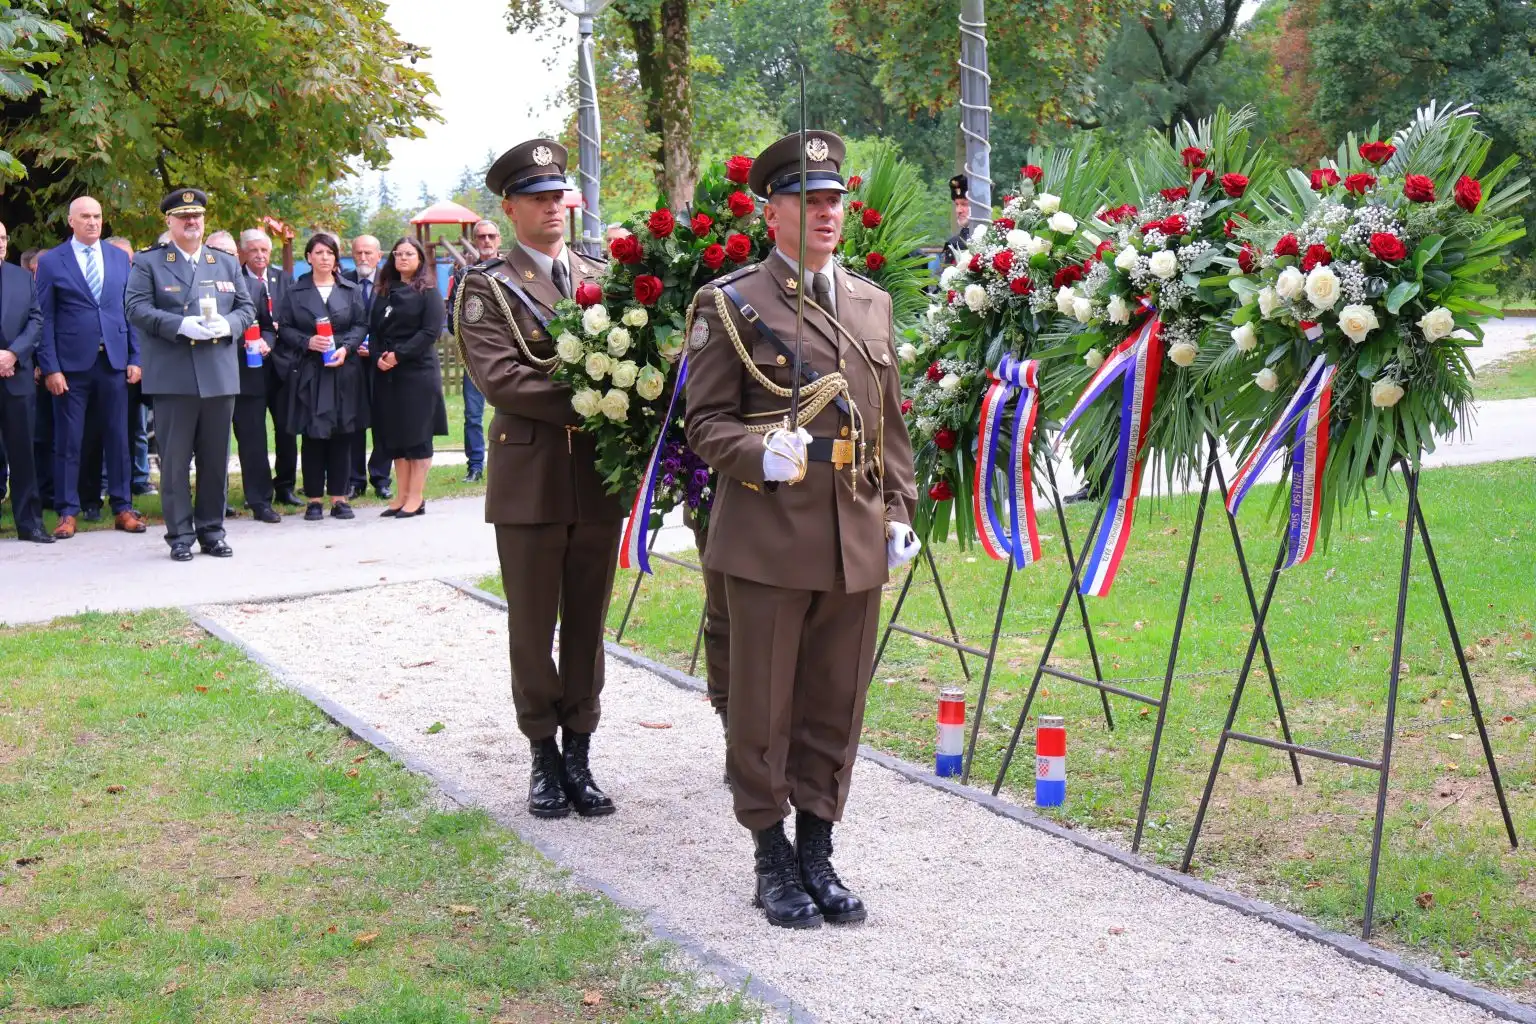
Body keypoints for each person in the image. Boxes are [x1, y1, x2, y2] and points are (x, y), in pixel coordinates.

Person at [685, 130, 919, 930]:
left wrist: (897, 512)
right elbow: (704, 423)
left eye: (834, 201)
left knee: (834, 698)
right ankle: (771, 857)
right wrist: (758, 453)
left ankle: (818, 849)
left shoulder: (869, 303)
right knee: (763, 703)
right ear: (773, 209)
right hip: (768, 531)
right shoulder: (731, 302)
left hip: (852, 532)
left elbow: (889, 427)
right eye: (809, 200)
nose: (826, 214)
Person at [455, 138, 620, 820]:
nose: (555, 207)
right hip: (532, 477)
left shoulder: (602, 273)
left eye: (560, 196)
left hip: (597, 475)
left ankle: (580, 751)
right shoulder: (485, 285)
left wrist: (628, 388)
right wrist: (604, 388)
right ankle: (543, 755)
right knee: (532, 626)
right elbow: (504, 380)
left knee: (587, 621)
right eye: (539, 198)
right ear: (511, 207)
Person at [125, 188, 256, 561]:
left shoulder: (225, 262)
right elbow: (134, 308)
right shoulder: (148, 262)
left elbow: (247, 308)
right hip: (173, 376)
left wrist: (227, 325)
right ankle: (180, 534)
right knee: (175, 462)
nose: (191, 223)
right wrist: (181, 325)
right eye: (183, 218)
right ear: (170, 222)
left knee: (215, 460)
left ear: (204, 220)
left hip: (218, 374)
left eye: (196, 216)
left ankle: (212, 531)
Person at [35, 195, 144, 539]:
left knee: (119, 438)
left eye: (97, 216)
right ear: (71, 221)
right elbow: (44, 318)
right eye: (85, 216)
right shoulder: (53, 262)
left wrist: (135, 357)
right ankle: (67, 512)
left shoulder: (117, 258)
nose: (92, 222)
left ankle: (123, 507)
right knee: (69, 441)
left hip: (113, 362)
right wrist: (50, 367)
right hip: (71, 367)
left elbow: (131, 311)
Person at [278, 233, 368, 522]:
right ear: (309, 257)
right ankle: (314, 499)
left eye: (330, 253)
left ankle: (340, 498)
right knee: (314, 436)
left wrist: (347, 347)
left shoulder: (350, 289)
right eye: (319, 252)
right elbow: (285, 328)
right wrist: (307, 342)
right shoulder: (295, 291)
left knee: (342, 434)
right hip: (310, 372)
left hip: (342, 369)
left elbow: (361, 324)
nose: (325, 257)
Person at [370, 237, 447, 518]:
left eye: (409, 254)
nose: (402, 258)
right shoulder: (383, 291)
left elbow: (429, 333)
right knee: (395, 437)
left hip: (417, 372)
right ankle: (400, 497)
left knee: (417, 436)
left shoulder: (428, 292)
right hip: (387, 373)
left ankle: (416, 497)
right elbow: (374, 330)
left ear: (419, 259)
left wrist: (398, 355)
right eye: (398, 254)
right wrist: (379, 355)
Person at [222, 229, 282, 524]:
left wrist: (265, 343)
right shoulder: (193, 286)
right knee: (217, 441)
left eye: (228, 253)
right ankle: (213, 503)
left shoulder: (253, 287)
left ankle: (260, 501)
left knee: (254, 440)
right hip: (213, 374)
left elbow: (268, 327)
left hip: (250, 373)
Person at [239, 228, 298, 507]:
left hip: (282, 366)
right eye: (254, 250)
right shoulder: (234, 280)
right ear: (243, 253)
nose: (260, 255)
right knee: (252, 433)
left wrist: (278, 329)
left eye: (264, 250)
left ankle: (286, 486)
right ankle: (257, 492)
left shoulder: (285, 280)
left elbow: (297, 316)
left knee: (286, 429)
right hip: (248, 368)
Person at [0, 221, 48, 543]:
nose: (0, 243)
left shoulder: (21, 278)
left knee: (23, 454)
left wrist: (12, 354)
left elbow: (36, 320)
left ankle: (30, 523)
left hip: (15, 377)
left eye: (3, 237)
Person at [446, 218, 503, 483]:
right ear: (475, 240)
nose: (487, 241)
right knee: (472, 414)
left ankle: (507, 466)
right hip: (475, 357)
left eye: (491, 236)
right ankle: (476, 466)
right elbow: (452, 319)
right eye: (481, 237)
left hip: (506, 355)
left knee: (512, 412)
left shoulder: (509, 270)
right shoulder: (464, 275)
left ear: (499, 239)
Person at [343, 233, 392, 500]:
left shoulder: (389, 283)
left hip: (381, 362)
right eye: (358, 253)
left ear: (379, 255)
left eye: (368, 253)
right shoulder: (344, 281)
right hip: (350, 362)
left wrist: (376, 348)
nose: (363, 258)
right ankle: (355, 480)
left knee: (383, 420)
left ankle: (381, 477)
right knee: (354, 421)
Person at [941, 174, 970, 268]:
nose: (958, 210)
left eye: (964, 204)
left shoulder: (995, 239)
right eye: (957, 205)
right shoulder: (953, 244)